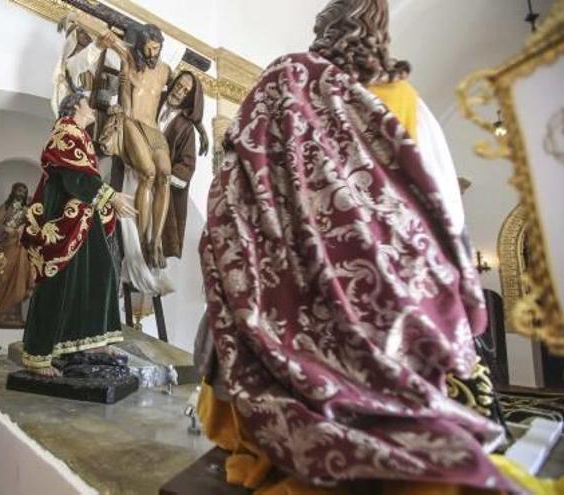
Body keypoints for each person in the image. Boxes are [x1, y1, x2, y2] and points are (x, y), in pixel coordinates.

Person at [196, 0, 518, 492]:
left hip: (284, 300)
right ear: (381, 38)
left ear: (323, 32)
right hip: (396, 311)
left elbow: (235, 191)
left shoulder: (286, 82)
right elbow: (443, 213)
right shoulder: (410, 104)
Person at [20, 91, 137, 377]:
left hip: (82, 220)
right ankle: (37, 355)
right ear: (74, 107)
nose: (92, 108)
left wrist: (108, 200)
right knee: (57, 284)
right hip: (64, 224)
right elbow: (76, 178)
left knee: (100, 274)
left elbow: (85, 178)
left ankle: (92, 341)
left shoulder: (80, 136)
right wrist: (111, 197)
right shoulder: (65, 133)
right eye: (87, 103)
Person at [158, 70, 204, 259]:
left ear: (189, 97)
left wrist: (163, 174)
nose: (178, 92)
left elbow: (187, 166)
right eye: (178, 85)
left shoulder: (186, 128)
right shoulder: (156, 98)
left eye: (185, 90)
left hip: (158, 184)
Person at [0, 182, 35, 327]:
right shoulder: (5, 207)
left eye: (24, 191)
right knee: (2, 276)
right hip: (4, 247)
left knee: (19, 277)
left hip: (20, 248)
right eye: (19, 190)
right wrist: (5, 228)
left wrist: (19, 231)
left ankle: (13, 314)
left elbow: (32, 228)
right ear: (13, 191)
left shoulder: (26, 210)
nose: (21, 193)